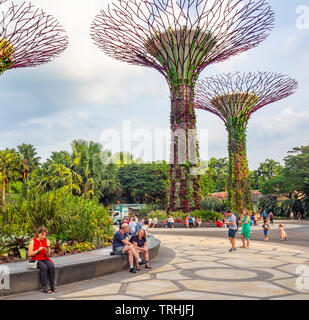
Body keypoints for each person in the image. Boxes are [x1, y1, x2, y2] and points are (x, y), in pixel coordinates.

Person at [28, 226, 58, 294]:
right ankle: (44, 287)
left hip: (44, 258)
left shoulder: (46, 241)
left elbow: (48, 254)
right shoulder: (33, 241)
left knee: (51, 266)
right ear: (39, 234)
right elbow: (29, 254)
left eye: (45, 235)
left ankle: (52, 286)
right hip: (36, 259)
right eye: (42, 235)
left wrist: (47, 248)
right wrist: (38, 250)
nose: (44, 237)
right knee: (44, 267)